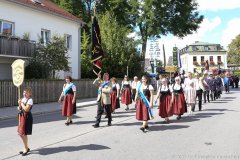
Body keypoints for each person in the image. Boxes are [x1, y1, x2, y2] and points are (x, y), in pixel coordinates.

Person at [17, 87, 33, 156]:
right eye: (24, 92)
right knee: (21, 133)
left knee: (23, 133)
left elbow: (26, 109)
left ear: (30, 94)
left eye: (26, 92)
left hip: (27, 117)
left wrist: (21, 103)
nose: (24, 94)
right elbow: (19, 108)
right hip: (22, 116)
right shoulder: (23, 99)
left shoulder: (30, 100)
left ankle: (26, 148)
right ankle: (26, 147)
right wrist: (19, 105)